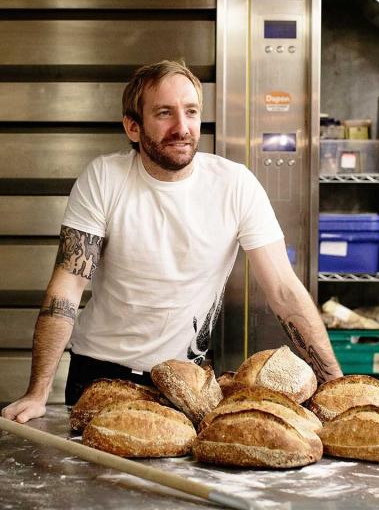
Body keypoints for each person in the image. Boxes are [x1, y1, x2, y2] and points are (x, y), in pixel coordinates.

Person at [2, 60, 342, 423]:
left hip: (186, 382)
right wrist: (38, 393)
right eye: (164, 113)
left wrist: (335, 386)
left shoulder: (235, 185)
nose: (182, 128)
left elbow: (284, 291)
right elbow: (66, 288)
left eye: (191, 112)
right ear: (133, 127)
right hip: (99, 376)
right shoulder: (104, 178)